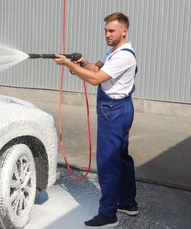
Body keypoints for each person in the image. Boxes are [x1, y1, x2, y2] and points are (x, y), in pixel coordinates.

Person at [53, 12, 138, 228]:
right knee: (121, 157)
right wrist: (82, 62)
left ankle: (108, 215)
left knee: (108, 162)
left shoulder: (124, 55)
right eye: (106, 31)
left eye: (112, 31)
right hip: (120, 108)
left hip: (114, 110)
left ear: (124, 31)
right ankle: (128, 203)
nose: (107, 34)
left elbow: (95, 79)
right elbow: (97, 68)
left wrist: (69, 66)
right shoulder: (114, 51)